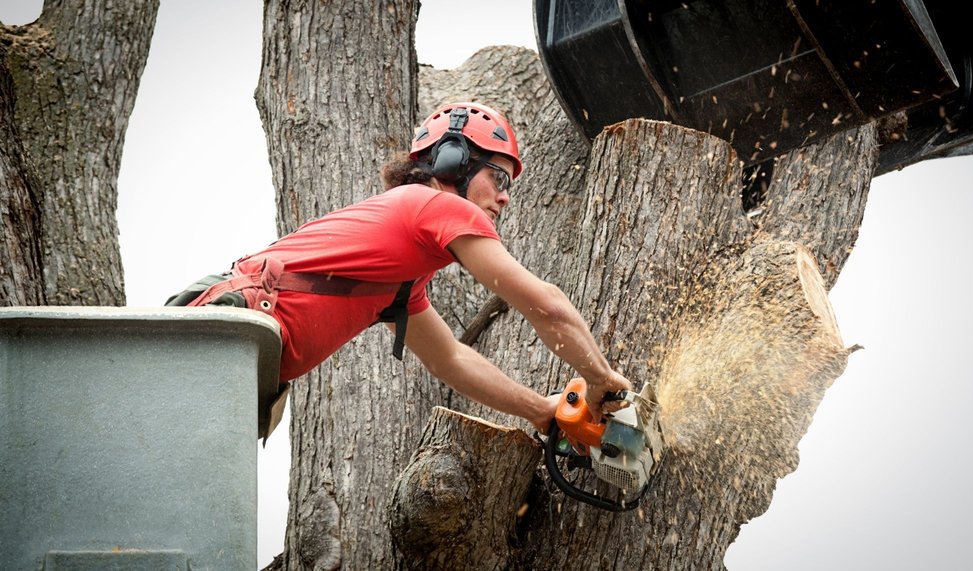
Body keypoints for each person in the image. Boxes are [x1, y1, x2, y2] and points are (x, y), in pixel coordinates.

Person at [166, 101, 630, 434]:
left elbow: (450, 358)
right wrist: (602, 380)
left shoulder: (400, 281)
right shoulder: (438, 206)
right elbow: (545, 304)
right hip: (228, 333)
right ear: (455, 162)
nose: (505, 195)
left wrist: (540, 409)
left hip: (238, 353)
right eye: (498, 177)